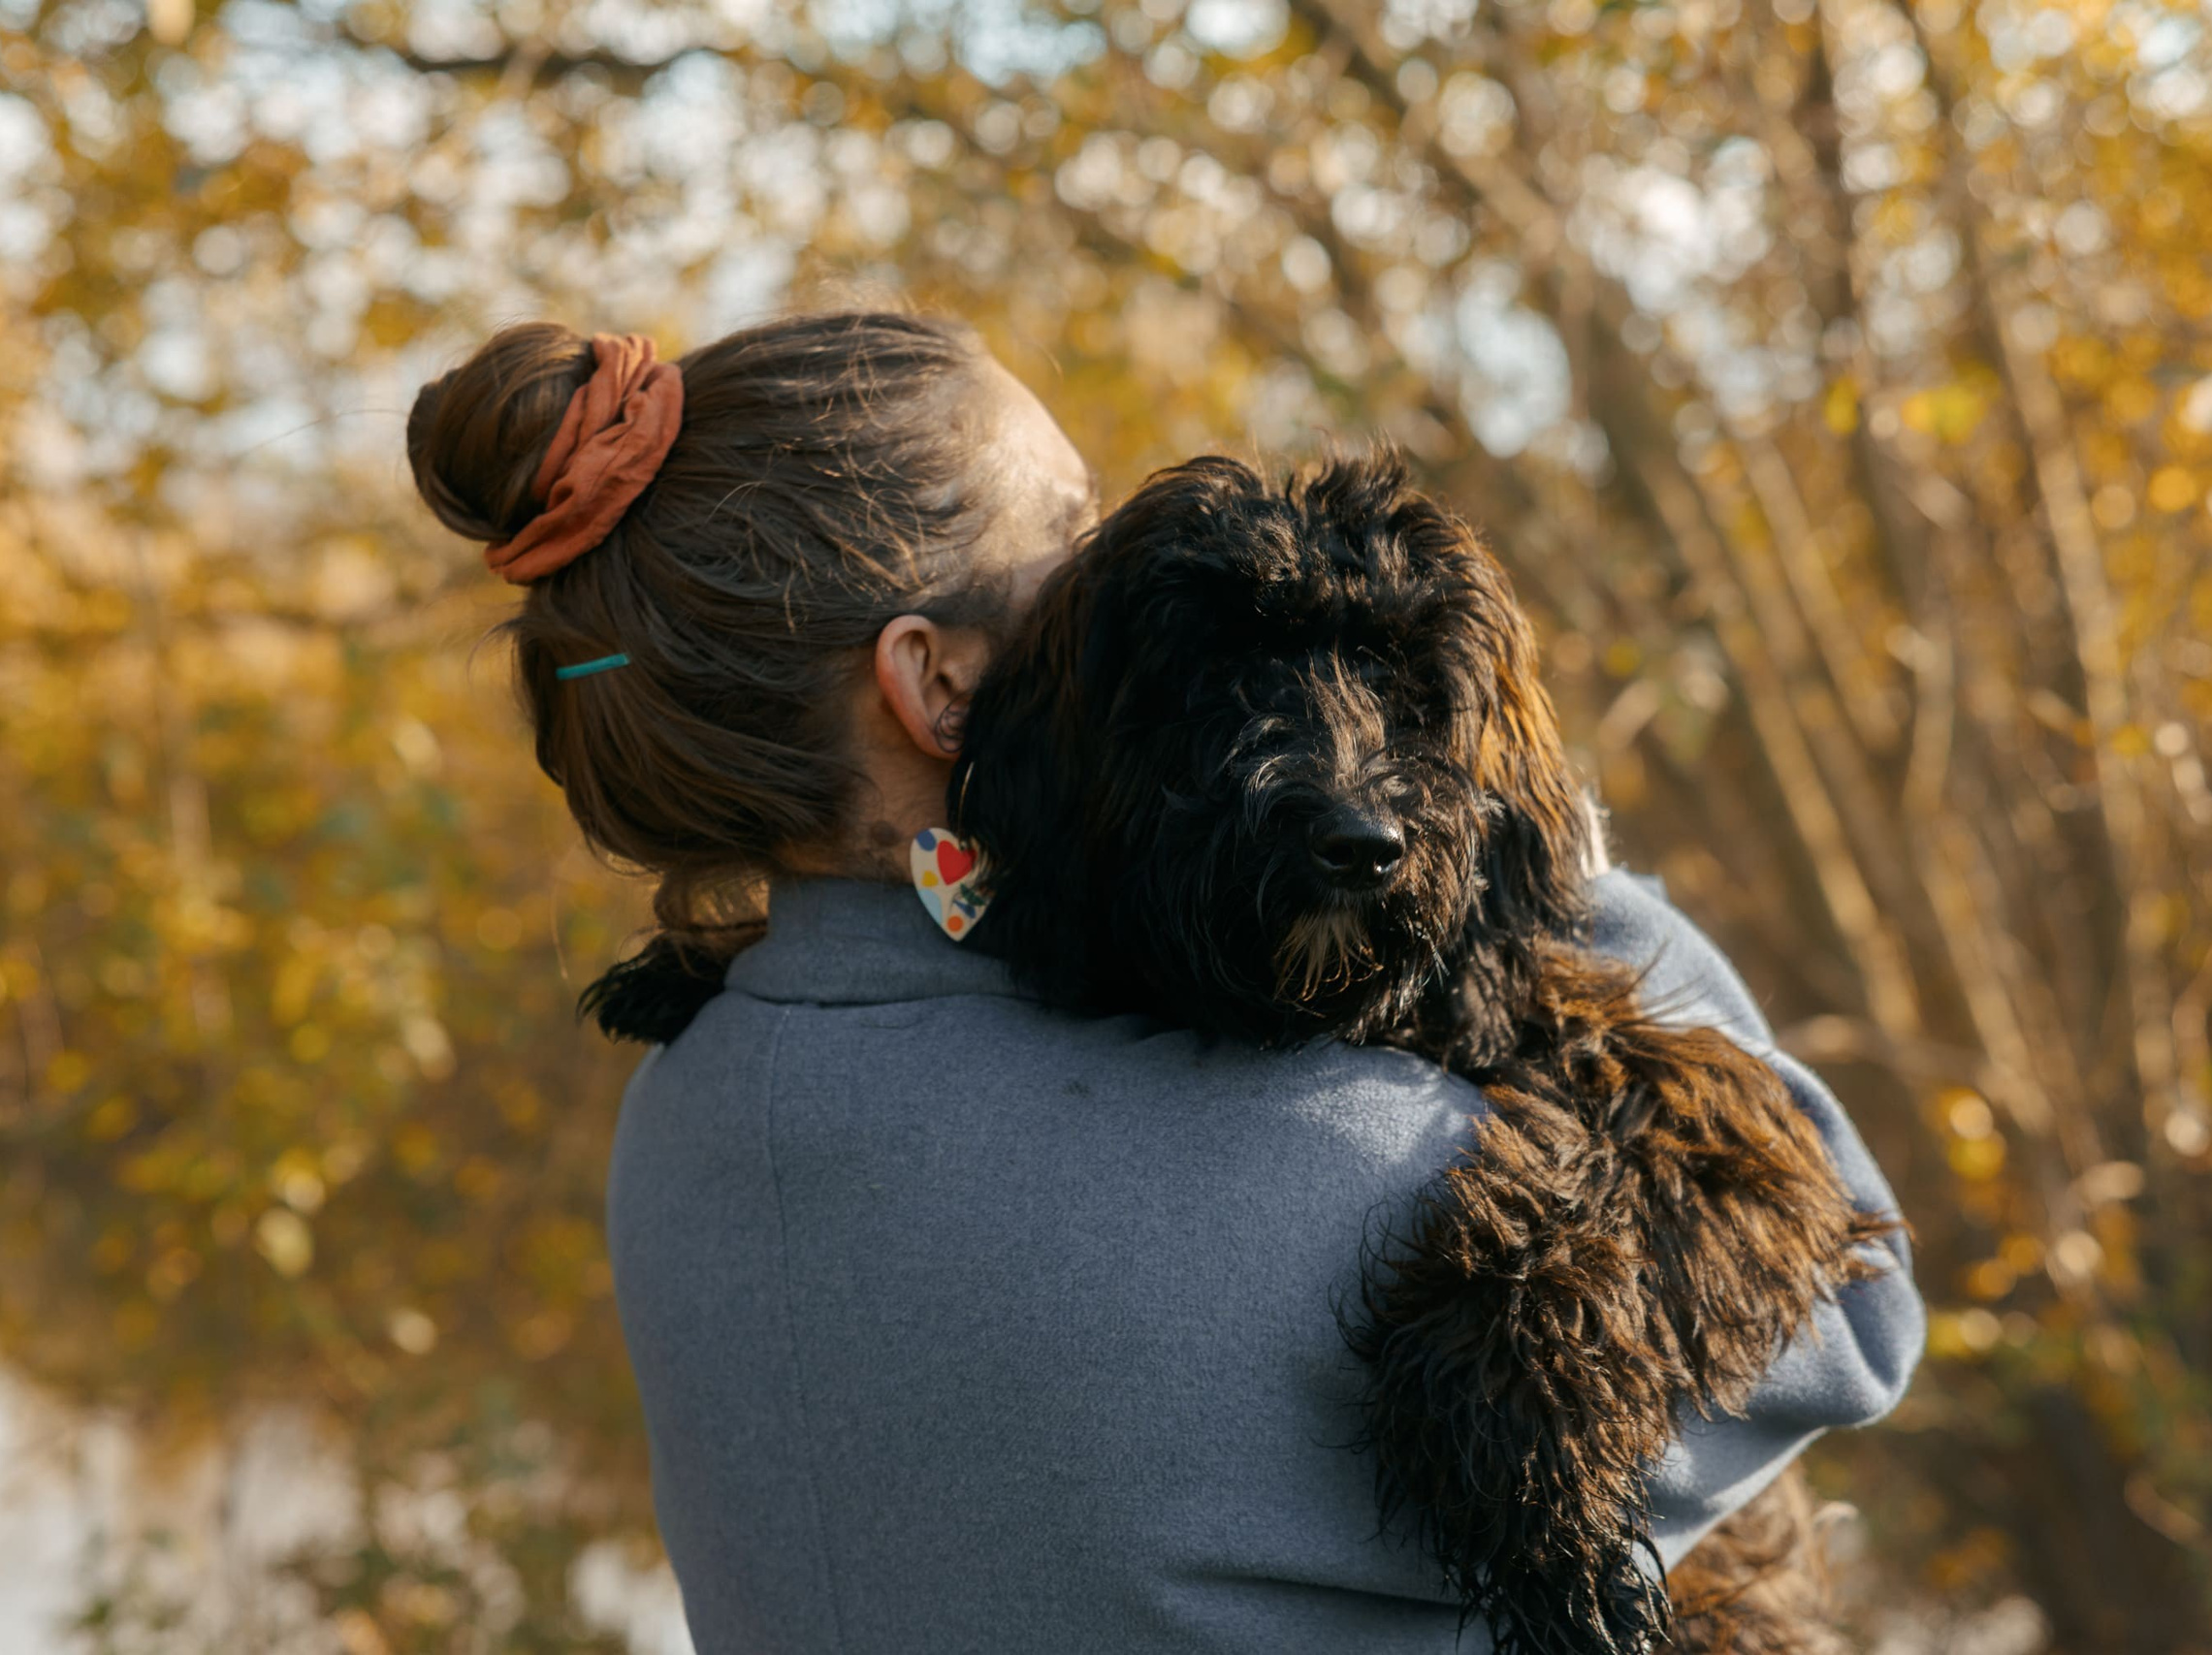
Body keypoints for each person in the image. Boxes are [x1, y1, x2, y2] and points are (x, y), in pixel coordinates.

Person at [405, 311, 1924, 1653]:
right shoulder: (1341, 1172)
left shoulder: (690, 1107)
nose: (1115, 566)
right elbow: (1854, 1301)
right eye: (1073, 534)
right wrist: (1533, 835)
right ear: (936, 683)